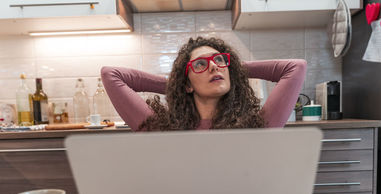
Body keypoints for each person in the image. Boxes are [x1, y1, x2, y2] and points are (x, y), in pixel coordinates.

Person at [101, 37, 307, 131]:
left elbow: (295, 67)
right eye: (200, 64)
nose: (214, 67)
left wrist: (233, 69)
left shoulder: (258, 127)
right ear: (187, 84)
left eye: (219, 60)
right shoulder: (161, 130)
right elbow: (111, 75)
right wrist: (177, 85)